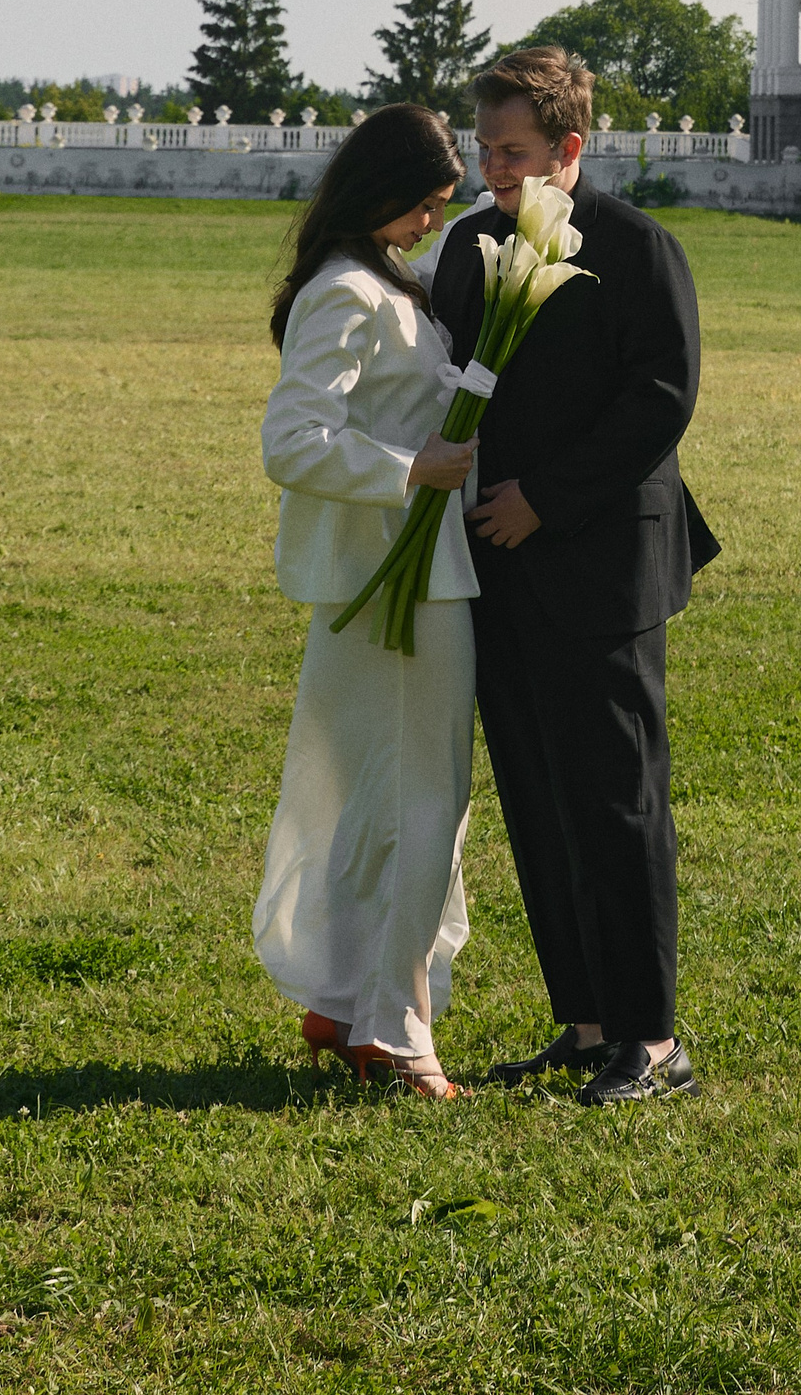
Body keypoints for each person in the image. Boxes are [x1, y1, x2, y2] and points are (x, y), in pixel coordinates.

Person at [429, 46, 719, 1106]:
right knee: (539, 800)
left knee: (615, 802)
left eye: (511, 152)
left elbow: (661, 398)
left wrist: (544, 499)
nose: (492, 169)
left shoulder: (638, 248)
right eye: (484, 150)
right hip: (496, 568)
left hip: (602, 571)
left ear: (569, 147)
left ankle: (653, 1041)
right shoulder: (470, 249)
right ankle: (587, 1025)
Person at [254, 104, 479, 1099]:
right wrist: (412, 469)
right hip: (396, 581)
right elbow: (292, 440)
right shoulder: (347, 289)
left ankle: (350, 1001)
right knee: (421, 800)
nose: (434, 222)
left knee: (392, 799)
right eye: (425, 203)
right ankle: (390, 1026)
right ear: (380, 190)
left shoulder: (389, 279)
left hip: (416, 572)